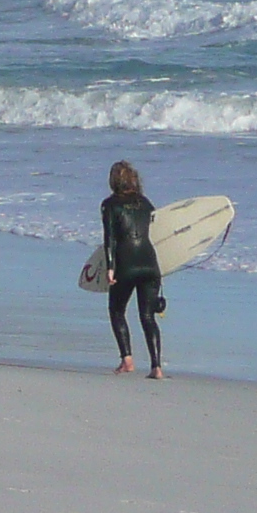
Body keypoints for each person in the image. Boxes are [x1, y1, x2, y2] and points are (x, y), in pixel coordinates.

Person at [101, 160, 164, 378]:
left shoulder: (109, 205)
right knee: (148, 316)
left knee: (117, 311)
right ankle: (157, 367)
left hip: (126, 265)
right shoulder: (146, 203)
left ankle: (127, 360)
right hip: (149, 263)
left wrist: (110, 268)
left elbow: (110, 239)